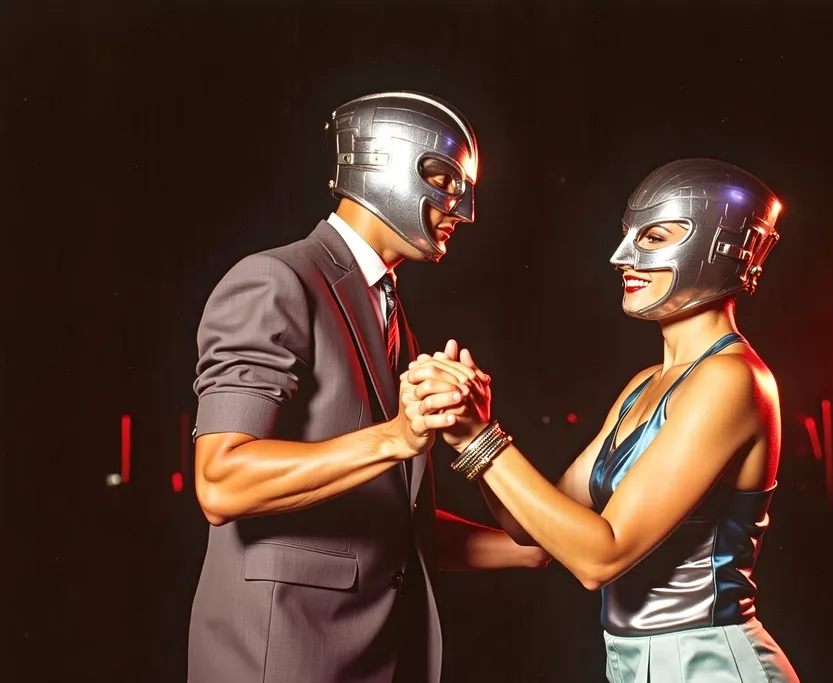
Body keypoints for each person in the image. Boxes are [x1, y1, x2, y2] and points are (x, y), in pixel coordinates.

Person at [188, 91, 548, 683]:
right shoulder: (276, 280)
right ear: (384, 165)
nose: (462, 211)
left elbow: (397, 531)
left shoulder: (389, 312)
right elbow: (221, 480)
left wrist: (544, 546)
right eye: (445, 182)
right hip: (281, 663)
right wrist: (398, 436)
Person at [405, 159, 799, 682]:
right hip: (635, 665)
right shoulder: (645, 383)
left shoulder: (732, 380)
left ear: (721, 248)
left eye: (654, 236)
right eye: (626, 235)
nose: (621, 257)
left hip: (709, 666)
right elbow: (532, 531)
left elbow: (599, 558)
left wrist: (481, 437)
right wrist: (463, 422)